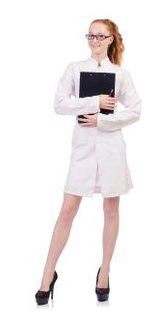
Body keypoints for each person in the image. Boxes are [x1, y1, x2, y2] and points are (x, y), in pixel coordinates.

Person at [35, 19, 140, 305]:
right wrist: (94, 102)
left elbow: (135, 111)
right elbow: (59, 103)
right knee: (68, 208)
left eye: (100, 36)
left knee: (111, 209)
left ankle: (104, 271)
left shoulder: (120, 74)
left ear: (111, 39)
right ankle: (47, 274)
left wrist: (104, 121)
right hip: (82, 149)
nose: (94, 40)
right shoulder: (74, 69)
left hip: (111, 148)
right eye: (90, 35)